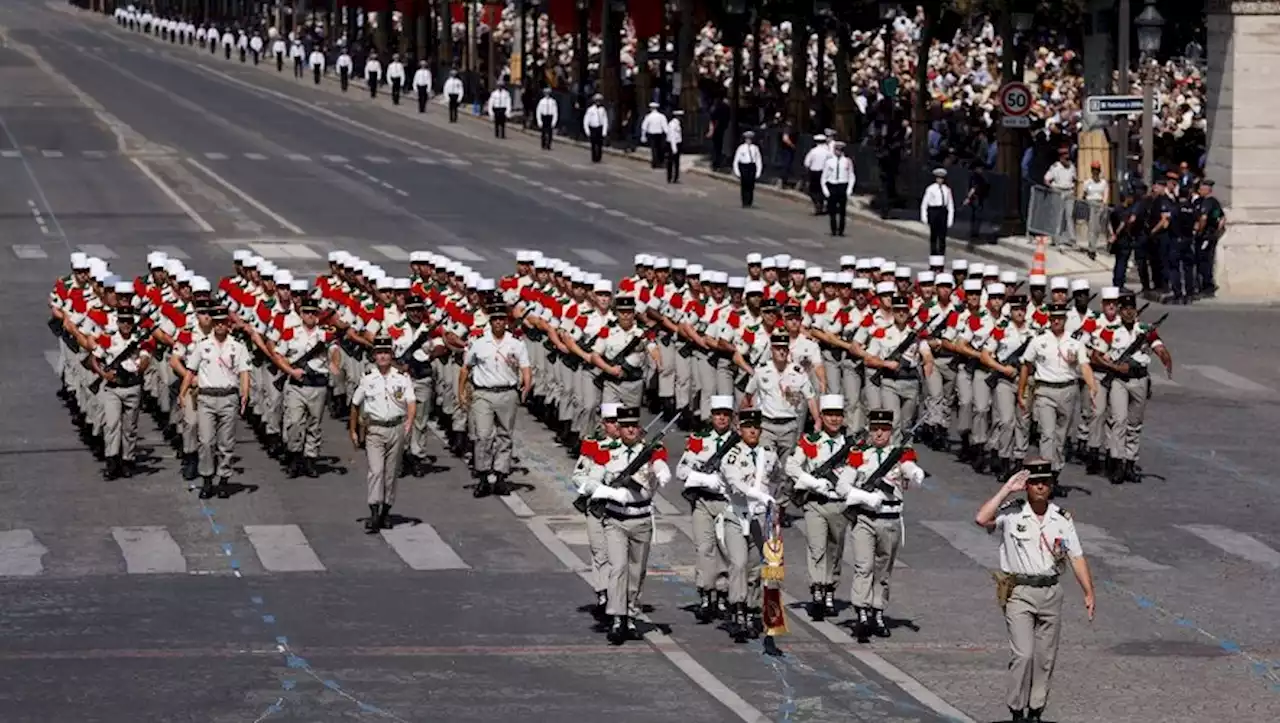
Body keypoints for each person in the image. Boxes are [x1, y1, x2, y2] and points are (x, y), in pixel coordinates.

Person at [974, 462, 1096, 723]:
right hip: (1019, 591)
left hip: (1051, 591)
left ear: (1051, 486)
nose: (1040, 486)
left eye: (1045, 482)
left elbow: (1076, 556)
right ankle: (1016, 709)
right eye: (1035, 482)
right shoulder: (1012, 513)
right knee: (1024, 653)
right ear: (1026, 486)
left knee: (1045, 657)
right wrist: (1007, 488)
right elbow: (981, 519)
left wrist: (1088, 592)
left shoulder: (1061, 518)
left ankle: (1036, 709)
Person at [584, 406, 672, 644]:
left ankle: (631, 616)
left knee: (636, 572)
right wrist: (610, 494)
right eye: (626, 426)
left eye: (634, 425)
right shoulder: (607, 451)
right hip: (615, 519)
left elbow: (659, 463)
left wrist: (662, 472)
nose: (631, 429)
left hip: (641, 518)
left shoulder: (649, 450)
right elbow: (589, 482)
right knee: (618, 568)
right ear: (619, 429)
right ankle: (616, 618)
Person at [838, 408, 924, 642]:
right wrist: (866, 498)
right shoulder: (858, 454)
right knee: (863, 566)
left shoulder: (900, 455)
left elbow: (908, 469)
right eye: (875, 429)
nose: (879, 434)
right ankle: (862, 612)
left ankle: (878, 611)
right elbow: (843, 486)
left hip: (891, 518)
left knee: (883, 571)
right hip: (866, 518)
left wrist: (915, 473)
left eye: (884, 430)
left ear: (891, 431)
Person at [1088, 292, 1173, 484]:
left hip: (1139, 379)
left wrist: (1166, 359)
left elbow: (1159, 347)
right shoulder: (1110, 330)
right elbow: (1096, 355)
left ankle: (1130, 462)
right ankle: (1117, 463)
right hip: (1118, 380)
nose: (1128, 312)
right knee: (1119, 420)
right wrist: (1114, 367)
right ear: (1119, 310)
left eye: (1131, 309)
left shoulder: (1145, 330)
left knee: (1134, 424)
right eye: (1124, 309)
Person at [1017, 304, 1099, 492]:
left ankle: (1055, 473)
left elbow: (1084, 365)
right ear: (1049, 319)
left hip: (1068, 391)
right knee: (1047, 434)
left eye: (1060, 318)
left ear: (1065, 320)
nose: (1056, 321)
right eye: (1053, 318)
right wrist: (1022, 392)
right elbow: (1026, 365)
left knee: (1061, 437)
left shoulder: (1074, 342)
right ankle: (1045, 477)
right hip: (1045, 391)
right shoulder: (1039, 341)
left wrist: (1093, 387)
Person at [785, 394, 851, 621]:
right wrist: (813, 483)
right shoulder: (810, 441)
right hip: (815, 503)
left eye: (838, 415)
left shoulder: (851, 446)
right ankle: (817, 591)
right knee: (816, 548)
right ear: (821, 416)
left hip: (840, 505)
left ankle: (830, 589)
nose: (834, 419)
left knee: (835, 549)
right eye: (829, 415)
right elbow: (791, 466)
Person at [717, 408, 779, 640]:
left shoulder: (769, 454)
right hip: (737, 515)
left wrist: (773, 500)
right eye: (747, 427)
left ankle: (753, 609)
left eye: (756, 427)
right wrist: (759, 495)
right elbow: (736, 484)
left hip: (760, 518)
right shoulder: (731, 455)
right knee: (739, 563)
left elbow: (777, 479)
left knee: (755, 569)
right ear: (739, 429)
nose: (752, 431)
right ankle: (737, 609)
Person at [177, 306, 252, 500]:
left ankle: (224, 479)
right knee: (206, 441)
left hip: (228, 397)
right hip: (206, 398)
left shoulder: (238, 347)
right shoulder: (202, 346)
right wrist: (182, 392)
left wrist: (245, 394)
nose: (219, 326)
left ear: (228, 325)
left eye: (223, 323)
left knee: (226, 443)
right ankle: (207, 479)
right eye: (216, 322)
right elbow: (190, 371)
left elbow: (244, 372)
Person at [458, 301, 532, 497]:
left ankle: (500, 476)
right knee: (483, 436)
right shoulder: (479, 343)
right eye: (495, 319)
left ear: (506, 321)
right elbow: (466, 367)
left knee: (505, 435)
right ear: (490, 321)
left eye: (502, 319)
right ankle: (482, 476)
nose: (498, 322)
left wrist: (527, 384)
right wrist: (461, 391)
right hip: (483, 393)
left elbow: (525, 367)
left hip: (507, 392)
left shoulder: (515, 343)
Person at [676, 396, 738, 623]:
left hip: (727, 501)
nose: (721, 418)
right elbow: (682, 470)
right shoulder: (699, 440)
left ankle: (722, 594)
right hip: (702, 500)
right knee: (704, 548)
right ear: (711, 416)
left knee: (724, 549)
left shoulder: (738, 441)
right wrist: (704, 479)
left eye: (725, 414)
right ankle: (705, 593)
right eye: (717, 414)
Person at [350, 335, 416, 533]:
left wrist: (409, 422)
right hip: (375, 430)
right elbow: (355, 404)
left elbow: (411, 402)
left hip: (396, 427)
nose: (383, 357)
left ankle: (386, 510)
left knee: (391, 473)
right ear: (374, 356)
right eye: (379, 353)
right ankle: (373, 511)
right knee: (376, 471)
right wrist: (353, 430)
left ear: (392, 355)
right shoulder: (367, 378)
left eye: (386, 353)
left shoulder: (402, 378)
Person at [89, 309, 151, 480]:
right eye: (123, 321)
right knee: (112, 424)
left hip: (132, 387)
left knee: (130, 428)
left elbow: (146, 357)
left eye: (129, 321)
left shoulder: (139, 340)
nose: (126, 325)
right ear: (117, 323)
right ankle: (111, 460)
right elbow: (94, 358)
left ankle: (128, 460)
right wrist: (103, 374)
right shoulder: (108, 338)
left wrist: (141, 366)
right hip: (113, 388)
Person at [572, 403, 622, 616]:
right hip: (597, 506)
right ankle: (603, 593)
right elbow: (578, 476)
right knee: (599, 552)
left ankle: (619, 596)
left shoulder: (633, 447)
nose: (616, 425)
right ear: (604, 424)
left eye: (618, 421)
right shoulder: (594, 446)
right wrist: (597, 488)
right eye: (611, 421)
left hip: (621, 508)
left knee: (620, 557)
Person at [820, 141, 855, 236]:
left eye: (841, 150)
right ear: (834, 150)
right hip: (832, 185)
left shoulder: (847, 161)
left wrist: (849, 189)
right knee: (832, 210)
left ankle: (841, 230)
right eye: (837, 150)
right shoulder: (829, 161)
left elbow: (851, 176)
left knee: (842, 211)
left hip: (842, 186)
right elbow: (824, 177)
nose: (838, 152)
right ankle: (833, 229)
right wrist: (825, 190)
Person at [920, 168, 955, 255]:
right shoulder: (931, 189)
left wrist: (950, 219)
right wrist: (924, 216)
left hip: (943, 211)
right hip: (934, 211)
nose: (940, 180)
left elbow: (950, 205)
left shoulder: (947, 189)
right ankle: (933, 253)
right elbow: (924, 203)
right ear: (936, 178)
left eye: (942, 178)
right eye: (938, 178)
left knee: (942, 236)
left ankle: (941, 253)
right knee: (934, 234)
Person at [732, 131, 763, 208]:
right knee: (744, 184)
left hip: (752, 166)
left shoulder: (755, 148)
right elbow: (736, 160)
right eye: (747, 139)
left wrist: (758, 171)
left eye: (750, 139)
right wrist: (737, 171)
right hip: (744, 166)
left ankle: (749, 201)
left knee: (751, 185)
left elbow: (758, 160)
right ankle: (744, 201)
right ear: (745, 139)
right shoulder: (741, 148)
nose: (749, 140)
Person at [803, 133, 830, 214]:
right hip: (825, 172)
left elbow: (807, 163)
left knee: (812, 191)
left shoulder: (813, 151)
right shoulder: (828, 152)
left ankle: (817, 204)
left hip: (814, 172)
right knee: (822, 190)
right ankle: (821, 205)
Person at [639, 102, 667, 168]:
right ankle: (660, 162)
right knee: (660, 148)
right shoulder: (661, 116)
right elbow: (665, 127)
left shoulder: (648, 116)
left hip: (651, 135)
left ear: (651, 108)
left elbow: (644, 127)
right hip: (660, 134)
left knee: (654, 149)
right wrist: (668, 135)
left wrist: (643, 136)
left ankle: (655, 163)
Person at [583, 94, 608, 163]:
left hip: (600, 128)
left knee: (600, 144)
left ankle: (599, 158)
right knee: (593, 144)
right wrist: (587, 131)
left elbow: (605, 120)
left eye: (599, 101)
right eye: (597, 101)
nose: (598, 102)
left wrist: (604, 131)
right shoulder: (590, 110)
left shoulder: (602, 110)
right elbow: (586, 121)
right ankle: (594, 157)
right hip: (593, 128)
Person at [666, 110, 684, 183]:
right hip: (673, 144)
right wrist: (674, 148)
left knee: (676, 162)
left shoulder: (678, 124)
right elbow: (672, 136)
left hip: (677, 144)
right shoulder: (673, 124)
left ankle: (675, 177)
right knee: (672, 162)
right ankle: (671, 177)